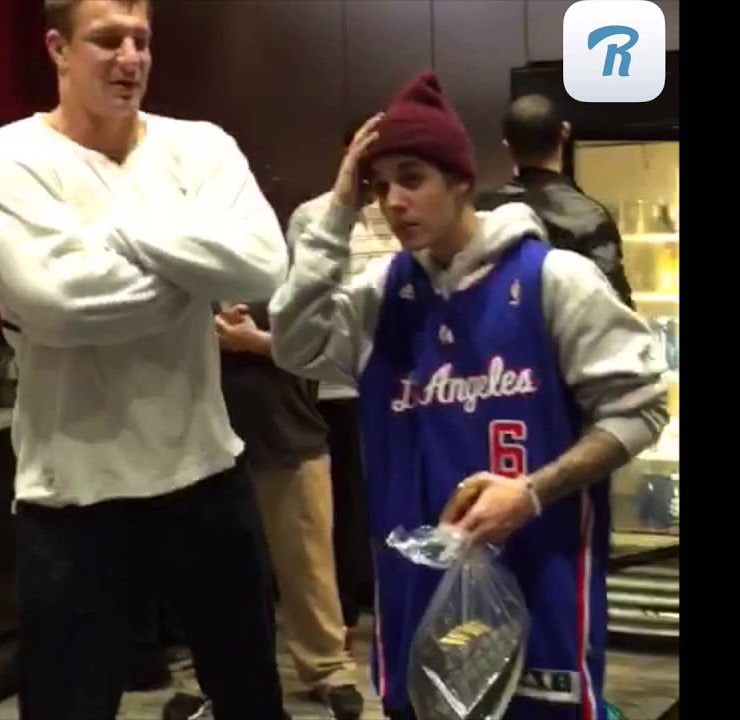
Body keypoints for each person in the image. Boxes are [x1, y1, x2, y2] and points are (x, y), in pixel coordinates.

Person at [268, 71, 669, 720]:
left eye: (412, 177)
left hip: (541, 569)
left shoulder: (554, 280)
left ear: (460, 179)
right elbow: (294, 345)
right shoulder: (378, 297)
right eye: (378, 186)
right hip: (415, 583)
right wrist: (337, 212)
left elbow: (643, 408)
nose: (392, 200)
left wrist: (533, 490)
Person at [0, 1, 290, 719]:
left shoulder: (200, 146)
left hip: (205, 471)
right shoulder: (10, 157)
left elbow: (264, 267)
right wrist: (193, 273)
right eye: (106, 40)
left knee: (251, 699)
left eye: (141, 40)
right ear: (57, 48)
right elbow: (59, 303)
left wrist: (116, 238)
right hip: (74, 495)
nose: (130, 58)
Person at [200, 296, 364, 719]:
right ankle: (213, 678)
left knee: (308, 563)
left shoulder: (291, 259)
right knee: (215, 572)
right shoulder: (186, 253)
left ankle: (328, 668)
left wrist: (253, 340)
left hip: (288, 429)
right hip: (205, 438)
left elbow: (325, 345)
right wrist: (208, 333)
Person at [288, 114, 398, 640]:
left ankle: (383, 589)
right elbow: (299, 301)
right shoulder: (313, 216)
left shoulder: (401, 214)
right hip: (331, 382)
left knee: (386, 489)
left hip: (395, 382)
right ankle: (346, 599)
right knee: (339, 498)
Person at [475, 93, 635, 308]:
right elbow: (615, 310)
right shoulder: (590, 217)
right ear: (565, 132)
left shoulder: (482, 213)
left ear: (507, 145)